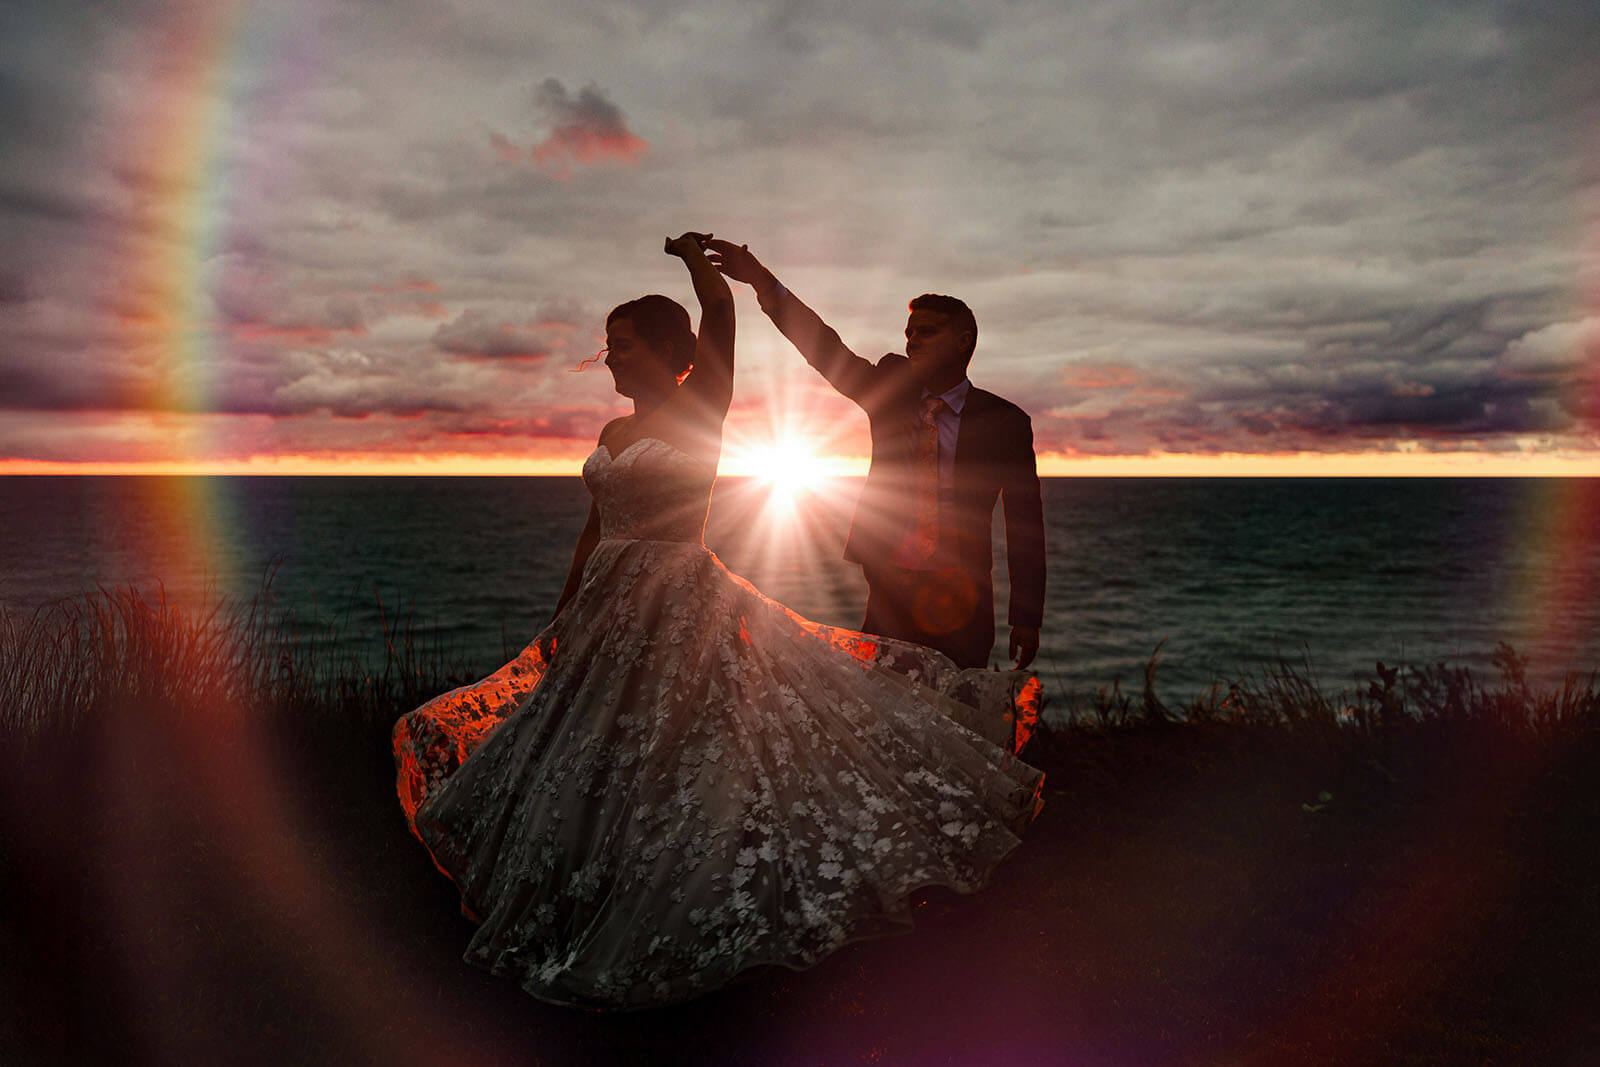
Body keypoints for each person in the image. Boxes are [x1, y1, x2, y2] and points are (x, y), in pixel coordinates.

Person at [392, 233, 1044, 1011]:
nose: (608, 357)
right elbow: (596, 526)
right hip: (748, 590)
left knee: (900, 709)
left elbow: (1025, 522)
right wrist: (564, 612)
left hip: (841, 592)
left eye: (622, 346)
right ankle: (589, 871)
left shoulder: (994, 420)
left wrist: (704, 270)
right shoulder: (625, 433)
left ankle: (950, 810)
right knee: (615, 737)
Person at [703, 240, 1045, 672]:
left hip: (965, 598)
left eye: (927, 332)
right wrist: (760, 279)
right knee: (885, 707)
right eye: (909, 333)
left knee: (956, 712)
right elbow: (823, 347)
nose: (912, 341)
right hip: (889, 588)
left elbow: (1025, 524)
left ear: (963, 342)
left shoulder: (1006, 423)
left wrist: (1027, 619)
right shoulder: (890, 389)